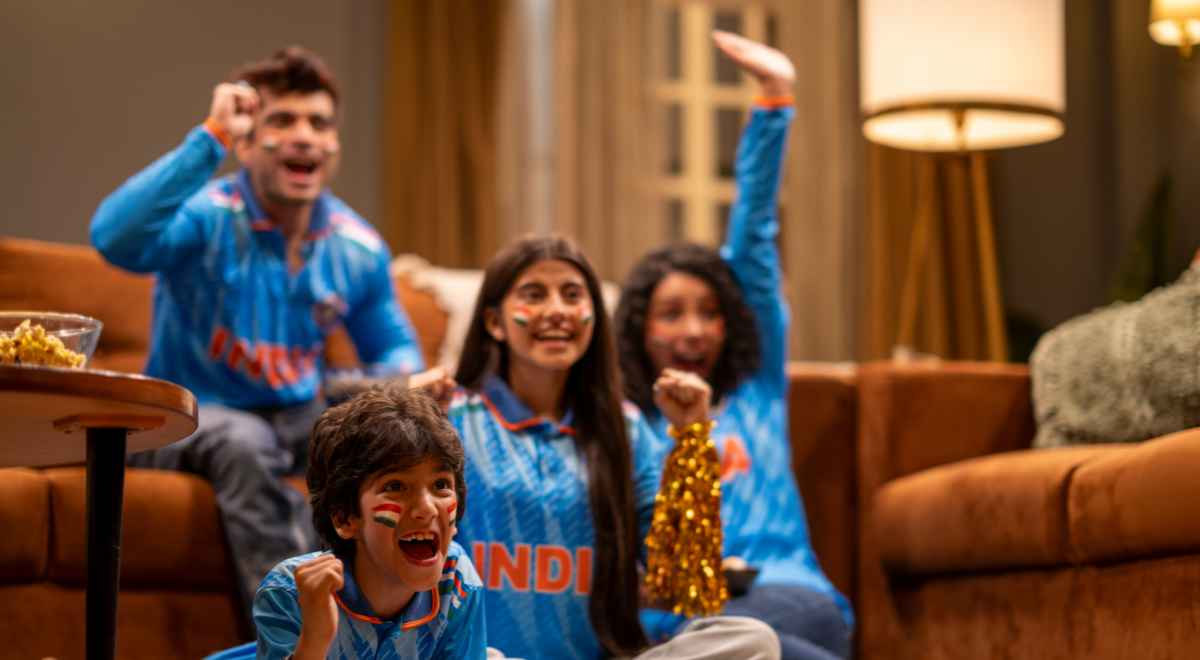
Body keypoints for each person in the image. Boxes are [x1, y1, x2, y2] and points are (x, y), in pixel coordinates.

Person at [89, 47, 424, 616]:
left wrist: (378, 384)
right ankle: (298, 637)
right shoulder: (207, 217)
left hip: (293, 418)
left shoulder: (356, 247)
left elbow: (396, 348)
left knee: (394, 435)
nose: (303, 137)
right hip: (187, 416)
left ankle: (405, 627)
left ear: (334, 145)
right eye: (281, 121)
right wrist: (212, 134)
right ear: (247, 143)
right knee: (246, 442)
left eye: (318, 123)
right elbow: (114, 236)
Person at [614, 32, 854, 660]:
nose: (693, 330)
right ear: (640, 334)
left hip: (788, 590)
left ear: (733, 325)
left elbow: (752, 243)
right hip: (677, 614)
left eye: (709, 313)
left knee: (762, 639)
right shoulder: (632, 424)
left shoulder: (757, 389)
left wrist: (774, 101)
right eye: (671, 315)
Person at [443, 235, 780, 659]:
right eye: (534, 294)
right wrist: (408, 424)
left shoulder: (626, 430)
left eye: (572, 295)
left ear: (594, 318)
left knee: (752, 640)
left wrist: (692, 441)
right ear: (494, 322)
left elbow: (687, 585)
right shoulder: (452, 419)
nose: (557, 311)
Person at [209, 386, 486, 659]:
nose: (427, 509)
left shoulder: (457, 583)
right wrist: (314, 640)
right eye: (396, 486)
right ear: (344, 518)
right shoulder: (290, 594)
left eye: (440, 485)